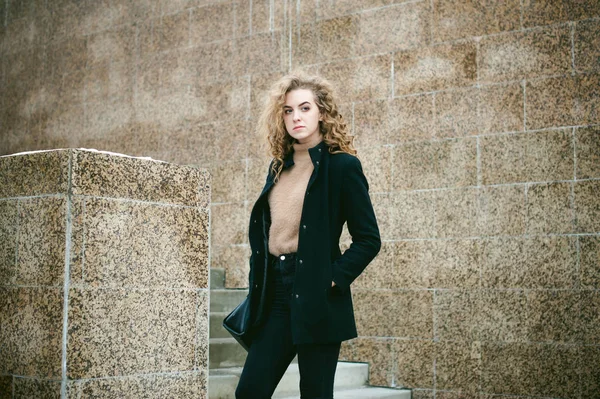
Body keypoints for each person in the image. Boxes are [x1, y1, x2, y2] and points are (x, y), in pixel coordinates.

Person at [235, 72, 381, 399]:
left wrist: (331, 277)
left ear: (322, 113)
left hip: (317, 296)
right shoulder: (278, 167)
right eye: (288, 110)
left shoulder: (342, 167)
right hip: (275, 295)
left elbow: (369, 239)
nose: (296, 117)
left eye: (304, 108)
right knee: (249, 391)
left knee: (314, 394)